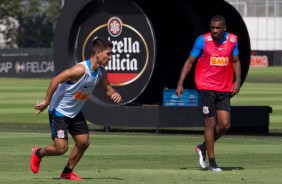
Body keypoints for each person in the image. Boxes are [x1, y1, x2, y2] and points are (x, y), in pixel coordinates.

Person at [30, 37, 122, 180]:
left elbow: (108, 88)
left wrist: (114, 93)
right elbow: (56, 80)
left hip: (75, 113)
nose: (110, 57)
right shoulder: (80, 69)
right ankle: (37, 153)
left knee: (83, 142)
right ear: (98, 53)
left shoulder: (101, 72)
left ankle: (67, 173)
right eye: (108, 54)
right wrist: (47, 102)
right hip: (59, 111)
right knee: (61, 148)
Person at [176, 15, 241, 172]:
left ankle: (202, 147)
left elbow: (236, 61)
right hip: (206, 87)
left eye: (218, 28)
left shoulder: (232, 40)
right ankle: (212, 163)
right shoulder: (202, 41)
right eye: (212, 27)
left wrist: (237, 80)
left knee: (225, 124)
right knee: (210, 124)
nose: (215, 31)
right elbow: (190, 61)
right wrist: (180, 82)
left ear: (224, 28)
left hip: (224, 88)